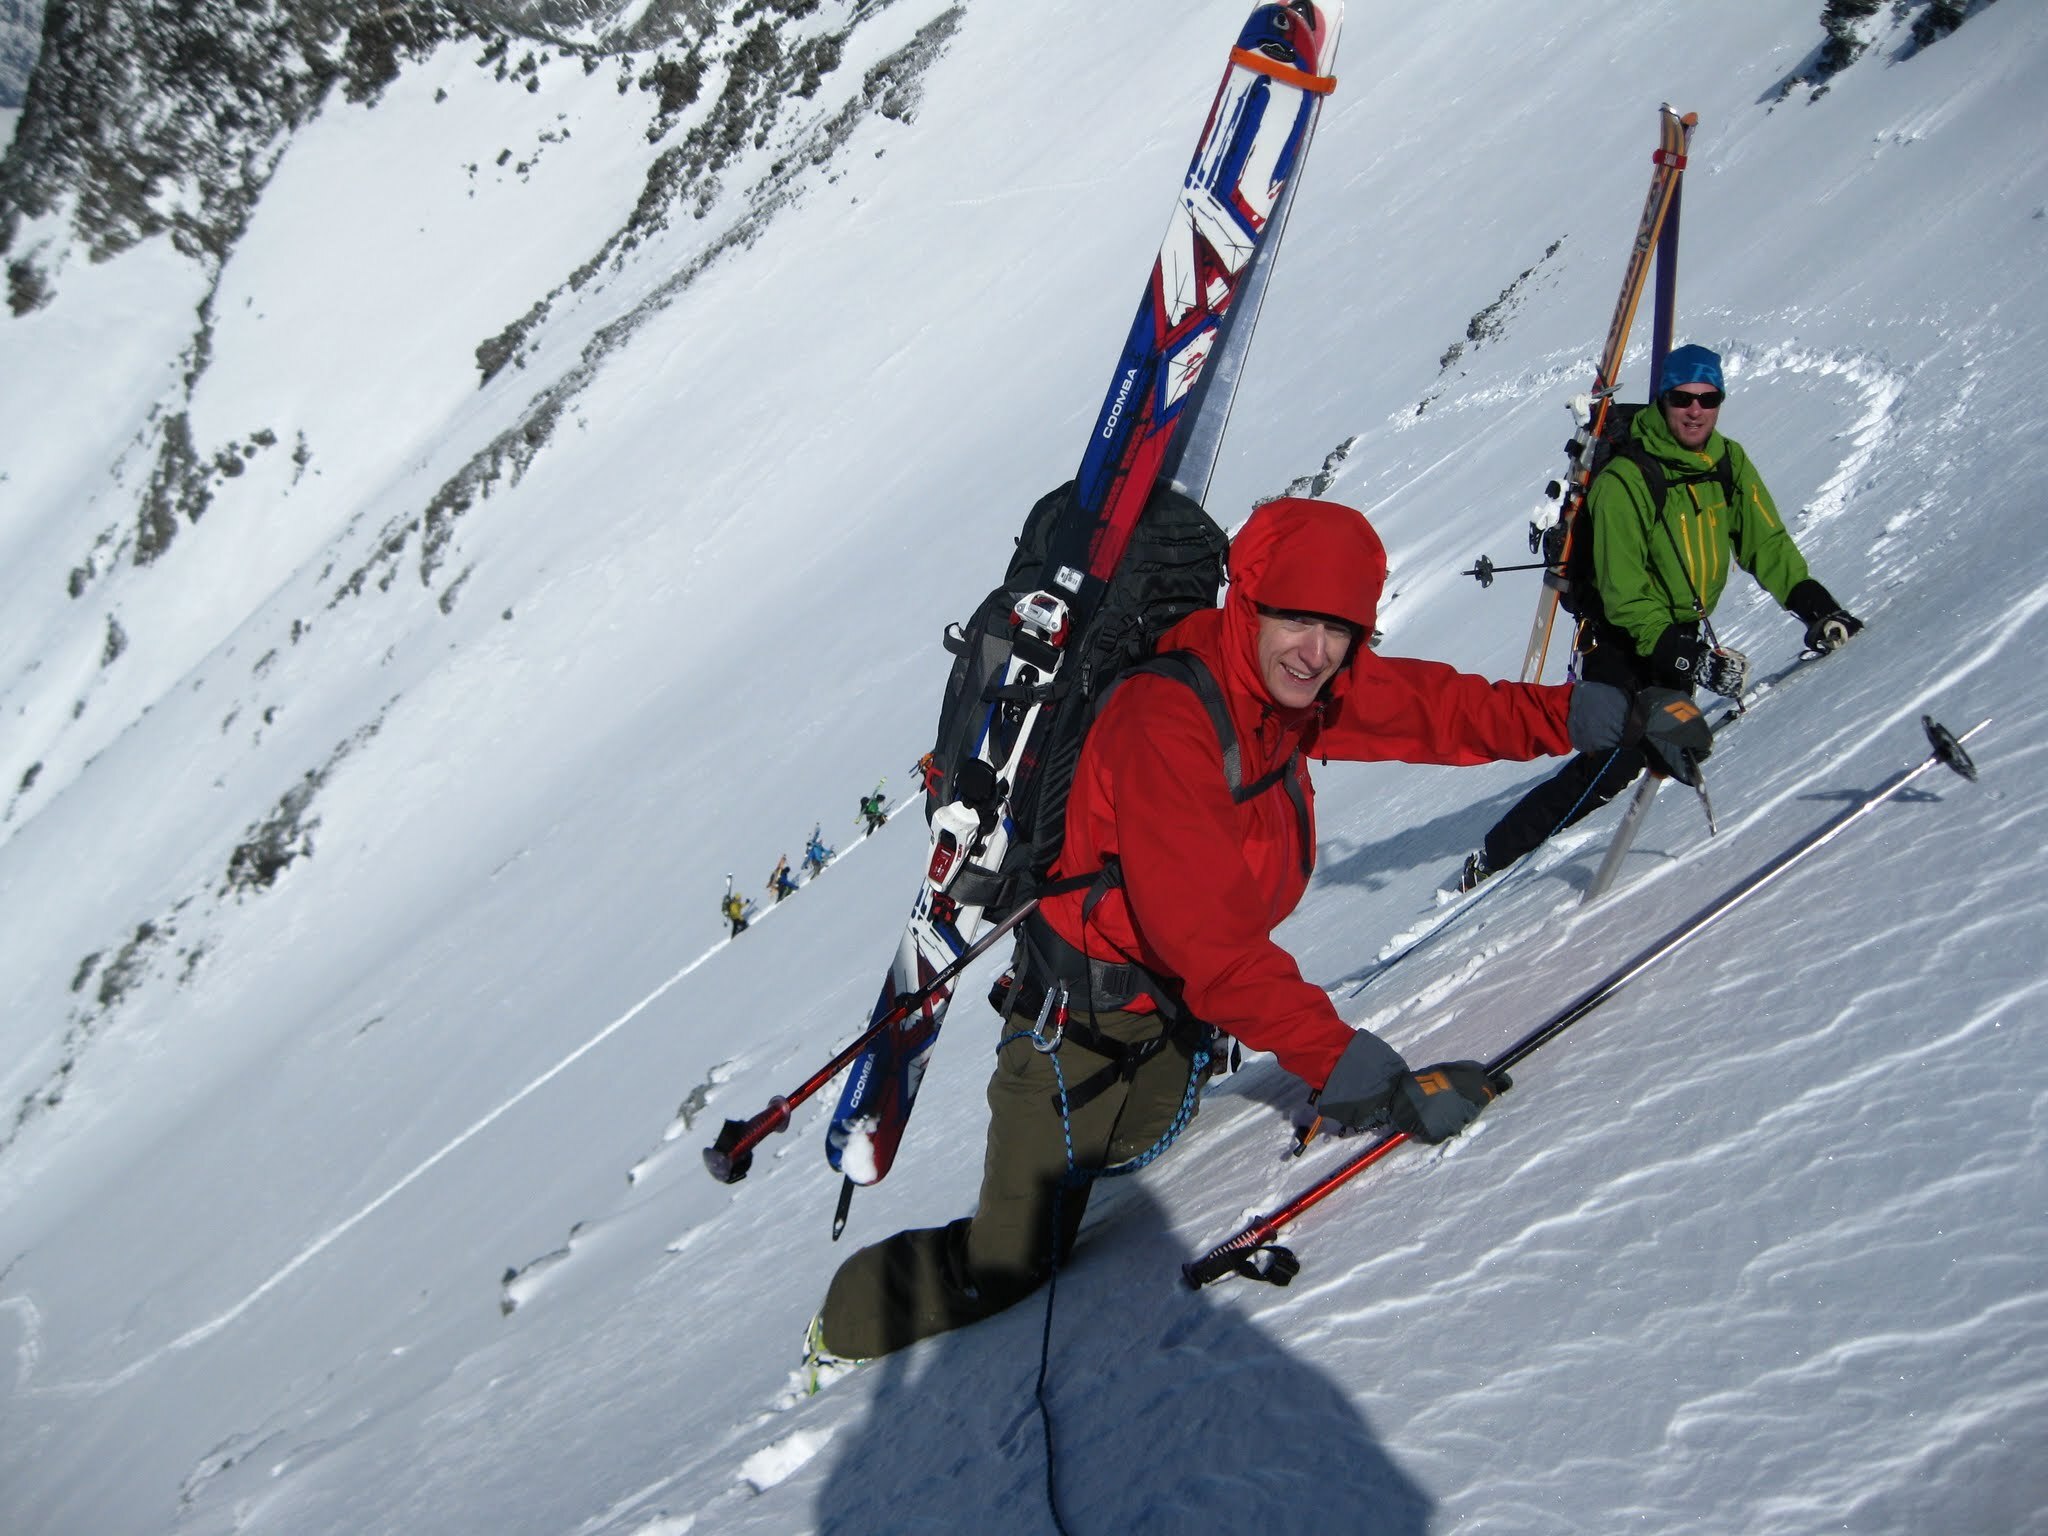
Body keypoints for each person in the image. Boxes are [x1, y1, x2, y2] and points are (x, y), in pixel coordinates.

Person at [810, 495, 1691, 1367]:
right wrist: (1367, 1080)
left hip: (1178, 1023)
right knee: (1010, 1262)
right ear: (1249, 602)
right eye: (1296, 619)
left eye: (1340, 628)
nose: (1316, 650)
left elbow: (1441, 709)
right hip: (1074, 1042)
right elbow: (1215, 947)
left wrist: (1602, 717)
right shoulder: (1164, 722)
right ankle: (839, 1333)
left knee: (1146, 1183)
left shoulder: (1289, 694)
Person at [1461, 344, 1864, 891]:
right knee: (1616, 761)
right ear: (1663, 399)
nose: (1696, 410)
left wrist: (1816, 607)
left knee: (1666, 746)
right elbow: (1625, 596)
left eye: (1708, 399)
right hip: (1619, 639)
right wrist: (1690, 657)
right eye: (1682, 398)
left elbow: (1765, 543)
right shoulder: (1624, 482)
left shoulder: (1727, 462)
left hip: (1677, 635)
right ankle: (1497, 860)